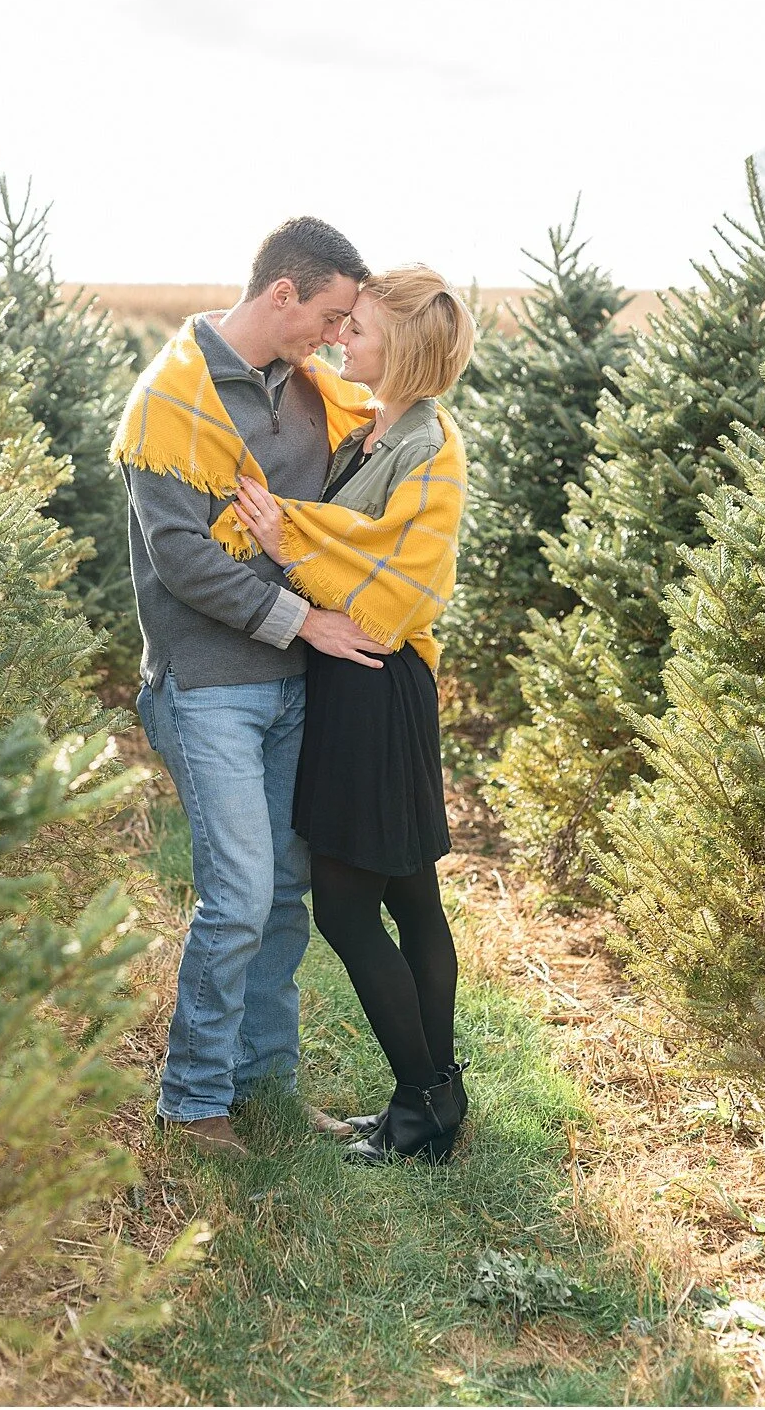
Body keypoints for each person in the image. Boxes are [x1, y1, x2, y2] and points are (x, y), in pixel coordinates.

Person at [114, 217, 391, 1158]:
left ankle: (267, 1085)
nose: (334, 336)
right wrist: (305, 619)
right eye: (329, 315)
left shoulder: (312, 394)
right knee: (236, 894)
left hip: (292, 687)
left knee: (282, 896)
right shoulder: (172, 399)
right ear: (284, 294)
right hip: (207, 685)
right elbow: (182, 559)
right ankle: (192, 1103)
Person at [232, 265, 475, 1165]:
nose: (343, 339)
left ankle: (420, 1104)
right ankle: (436, 1099)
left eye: (360, 329)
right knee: (412, 897)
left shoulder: (430, 451)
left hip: (377, 680)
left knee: (346, 906)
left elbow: (393, 597)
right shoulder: (376, 428)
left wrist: (287, 543)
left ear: (402, 349)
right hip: (357, 684)